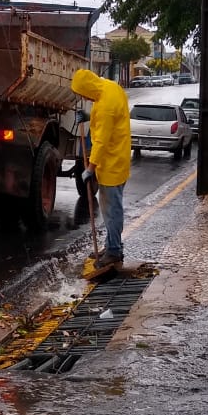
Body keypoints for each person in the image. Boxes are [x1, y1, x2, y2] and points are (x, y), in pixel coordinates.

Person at [71, 68, 131, 269]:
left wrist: (90, 168)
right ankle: (112, 245)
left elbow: (102, 142)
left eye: (82, 93)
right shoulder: (110, 87)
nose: (84, 97)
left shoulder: (105, 105)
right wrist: (89, 115)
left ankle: (113, 251)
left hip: (111, 164)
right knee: (113, 209)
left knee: (111, 211)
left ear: (88, 87)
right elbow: (111, 117)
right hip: (119, 159)